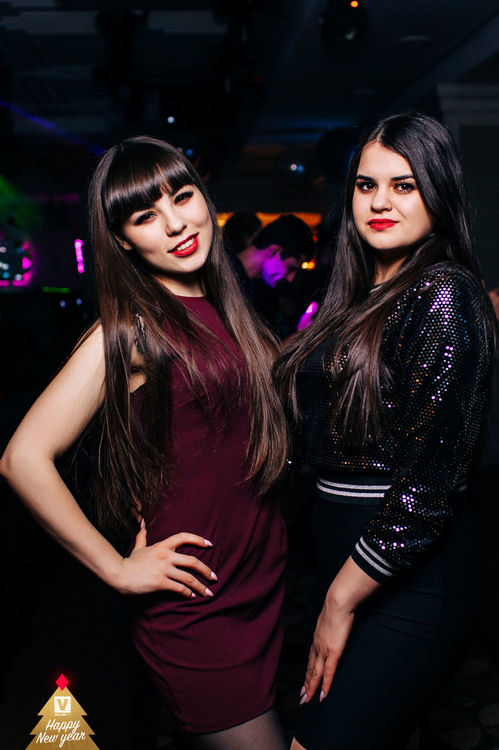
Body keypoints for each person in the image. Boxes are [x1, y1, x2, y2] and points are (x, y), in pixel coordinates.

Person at [0, 136, 289, 749]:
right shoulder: (132, 327)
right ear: (124, 240)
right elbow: (23, 458)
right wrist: (117, 570)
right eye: (145, 215)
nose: (176, 223)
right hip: (198, 607)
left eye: (182, 197)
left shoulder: (227, 308)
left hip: (261, 585)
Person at [275, 112, 497, 749]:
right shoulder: (361, 293)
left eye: (404, 185)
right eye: (366, 185)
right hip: (352, 566)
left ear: (438, 192)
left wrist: (337, 602)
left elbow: (428, 487)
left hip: (410, 578)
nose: (379, 202)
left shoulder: (442, 294)